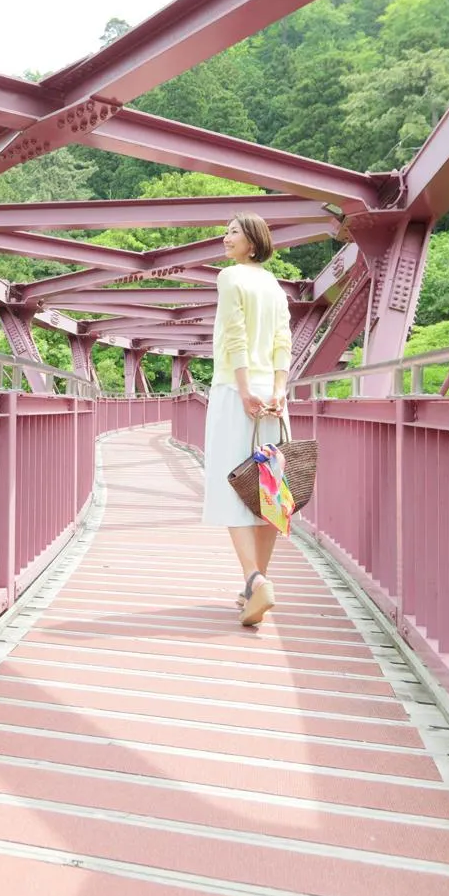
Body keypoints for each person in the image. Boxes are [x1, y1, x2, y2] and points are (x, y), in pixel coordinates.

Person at [201, 213, 292, 626]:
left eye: (234, 232)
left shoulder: (230, 277)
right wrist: (279, 387)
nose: (226, 236)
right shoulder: (274, 285)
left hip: (236, 393)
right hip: (272, 397)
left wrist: (242, 390)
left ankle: (254, 580)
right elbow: (282, 340)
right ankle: (255, 585)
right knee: (268, 490)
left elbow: (235, 334)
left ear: (252, 242)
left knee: (232, 485)